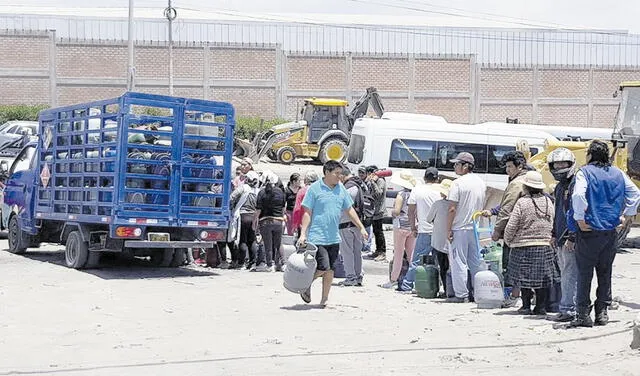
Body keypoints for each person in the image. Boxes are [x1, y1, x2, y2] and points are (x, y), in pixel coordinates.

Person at [570, 140, 640, 327]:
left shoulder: (584, 172)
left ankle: (583, 314)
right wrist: (628, 215)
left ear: (590, 155)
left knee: (585, 274)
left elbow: (578, 195)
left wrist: (579, 218)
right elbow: (635, 193)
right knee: (605, 272)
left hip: (589, 230)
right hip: (610, 231)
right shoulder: (618, 173)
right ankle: (602, 312)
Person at [298, 161, 368, 307]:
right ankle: (304, 284)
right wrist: (303, 233)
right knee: (323, 267)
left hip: (334, 236)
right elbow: (307, 213)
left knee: (330, 270)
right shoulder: (315, 189)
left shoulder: (341, 189)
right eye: (336, 173)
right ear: (327, 173)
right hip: (317, 236)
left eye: (340, 173)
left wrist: (361, 227)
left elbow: (349, 210)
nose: (339, 176)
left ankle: (324, 298)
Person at [503, 171, 557, 316]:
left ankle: (526, 306)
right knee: (543, 279)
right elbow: (553, 221)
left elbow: (512, 225)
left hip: (523, 245)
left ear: (525, 186)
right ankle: (540, 307)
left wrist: (508, 240)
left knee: (523, 278)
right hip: (544, 245)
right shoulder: (548, 202)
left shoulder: (522, 202)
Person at [484, 151, 528, 308]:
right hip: (529, 230)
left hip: (516, 231)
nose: (507, 170)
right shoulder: (530, 178)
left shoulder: (516, 183)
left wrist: (497, 230)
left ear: (519, 166)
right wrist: (493, 210)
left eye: (510, 166)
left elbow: (507, 208)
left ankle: (515, 297)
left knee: (513, 265)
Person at [446, 152, 486, 303]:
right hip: (474, 228)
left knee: (458, 262)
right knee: (475, 262)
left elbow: (452, 209)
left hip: (459, 227)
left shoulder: (457, 183)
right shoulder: (480, 182)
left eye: (456, 164)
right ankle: (479, 293)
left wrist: (448, 229)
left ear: (465, 166)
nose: (454, 167)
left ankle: (461, 295)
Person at [546, 148, 579, 322]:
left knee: (570, 274)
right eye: (556, 164)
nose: (559, 167)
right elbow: (557, 211)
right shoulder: (560, 187)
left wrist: (571, 237)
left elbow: (575, 213)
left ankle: (568, 309)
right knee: (566, 273)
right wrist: (553, 233)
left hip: (569, 238)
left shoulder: (575, 184)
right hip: (560, 236)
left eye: (562, 164)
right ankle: (567, 307)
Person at [399, 167, 442, 292]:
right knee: (438, 260)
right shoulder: (440, 191)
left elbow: (411, 212)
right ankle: (435, 285)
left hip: (424, 230)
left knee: (417, 259)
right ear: (437, 178)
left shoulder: (417, 190)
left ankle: (407, 285)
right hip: (439, 231)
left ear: (424, 178)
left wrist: (413, 227)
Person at [380, 170, 417, 289]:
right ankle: (412, 279)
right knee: (412, 255)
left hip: (401, 226)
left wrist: (392, 212)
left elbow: (396, 211)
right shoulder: (415, 194)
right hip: (412, 226)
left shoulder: (401, 194)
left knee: (398, 254)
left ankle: (394, 279)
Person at [339, 167, 367, 286]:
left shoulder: (348, 188)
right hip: (359, 225)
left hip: (346, 225)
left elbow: (345, 208)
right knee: (357, 252)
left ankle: (350, 277)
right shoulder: (360, 185)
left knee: (347, 252)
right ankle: (358, 276)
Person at [426, 179, 454, 297]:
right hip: (452, 239)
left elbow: (428, 219)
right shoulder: (455, 205)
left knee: (443, 266)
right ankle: (453, 289)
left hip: (439, 240)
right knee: (453, 266)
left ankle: (446, 290)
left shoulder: (438, 204)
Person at [254, 171, 286, 272]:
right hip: (278, 221)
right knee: (279, 243)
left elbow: (258, 210)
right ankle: (283, 263)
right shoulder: (280, 192)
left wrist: (255, 221)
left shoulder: (262, 192)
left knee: (268, 244)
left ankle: (269, 265)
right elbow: (283, 207)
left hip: (265, 221)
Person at [229, 171, 260, 270]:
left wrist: (232, 207)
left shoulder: (243, 188)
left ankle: (241, 263)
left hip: (243, 216)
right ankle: (252, 263)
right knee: (252, 240)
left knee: (242, 240)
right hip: (254, 217)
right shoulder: (257, 191)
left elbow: (232, 197)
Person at [365, 165, 388, 262]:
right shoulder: (372, 181)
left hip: (379, 211)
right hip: (374, 210)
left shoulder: (380, 181)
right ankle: (378, 251)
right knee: (375, 231)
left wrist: (373, 182)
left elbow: (378, 194)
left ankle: (382, 252)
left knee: (379, 232)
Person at [292, 170, 319, 235]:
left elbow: (297, 209)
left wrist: (295, 224)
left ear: (306, 180)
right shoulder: (321, 191)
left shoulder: (302, 191)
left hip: (304, 224)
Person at [358, 166, 374, 254]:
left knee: (368, 226)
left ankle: (367, 246)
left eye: (362, 173)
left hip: (369, 207)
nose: (360, 174)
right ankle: (363, 245)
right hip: (362, 207)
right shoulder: (359, 182)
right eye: (359, 172)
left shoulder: (369, 183)